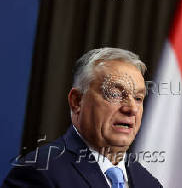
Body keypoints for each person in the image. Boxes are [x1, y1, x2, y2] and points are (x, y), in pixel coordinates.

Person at [3, 48, 162, 188]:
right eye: (114, 94)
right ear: (77, 101)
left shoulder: (148, 183)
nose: (132, 108)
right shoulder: (39, 171)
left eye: (138, 98)